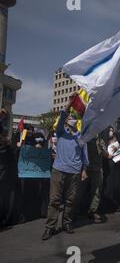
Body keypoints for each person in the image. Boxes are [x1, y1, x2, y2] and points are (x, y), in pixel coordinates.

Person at [42, 101, 89, 241]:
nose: (71, 119)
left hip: (75, 171)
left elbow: (85, 156)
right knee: (55, 200)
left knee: (70, 200)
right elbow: (63, 115)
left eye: (73, 118)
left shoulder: (81, 137)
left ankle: (66, 223)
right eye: (69, 118)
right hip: (59, 170)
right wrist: (70, 103)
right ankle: (50, 227)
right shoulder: (61, 132)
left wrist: (84, 170)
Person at [79, 134, 108, 223]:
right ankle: (77, 211)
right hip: (84, 169)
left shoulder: (101, 141)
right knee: (80, 191)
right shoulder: (84, 139)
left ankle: (93, 211)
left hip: (97, 169)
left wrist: (102, 148)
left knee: (96, 192)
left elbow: (106, 155)